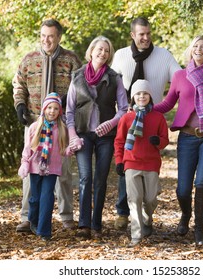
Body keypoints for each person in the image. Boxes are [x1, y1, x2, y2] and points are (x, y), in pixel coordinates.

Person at [153, 35, 203, 245]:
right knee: (183, 189)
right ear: (191, 50)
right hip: (187, 136)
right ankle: (186, 214)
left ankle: (199, 229)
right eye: (195, 46)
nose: (199, 49)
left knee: (202, 181)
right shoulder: (179, 76)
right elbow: (168, 103)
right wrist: (148, 108)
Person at [111, 17, 181, 230]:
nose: (146, 38)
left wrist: (164, 108)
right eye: (141, 34)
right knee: (127, 164)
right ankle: (124, 212)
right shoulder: (121, 56)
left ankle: (146, 213)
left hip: (153, 117)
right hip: (128, 117)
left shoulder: (164, 55)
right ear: (132, 35)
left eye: (148, 34)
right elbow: (111, 84)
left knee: (148, 170)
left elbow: (179, 80)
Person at [13, 19, 82, 232]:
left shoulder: (71, 60)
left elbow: (80, 88)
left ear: (59, 37)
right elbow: (18, 84)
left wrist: (67, 103)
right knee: (30, 172)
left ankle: (66, 215)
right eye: (43, 36)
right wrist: (20, 105)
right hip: (35, 124)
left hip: (60, 126)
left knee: (62, 171)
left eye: (51, 36)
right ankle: (27, 217)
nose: (46, 40)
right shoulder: (29, 60)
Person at [66, 36, 128, 239]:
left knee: (101, 179)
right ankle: (84, 225)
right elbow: (69, 111)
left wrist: (111, 123)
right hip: (83, 135)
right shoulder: (77, 76)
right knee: (85, 178)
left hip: (106, 137)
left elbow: (124, 109)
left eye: (107, 51)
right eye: (99, 49)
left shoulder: (114, 77)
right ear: (91, 50)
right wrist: (73, 135)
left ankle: (96, 223)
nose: (103, 53)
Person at [114, 79, 169, 247]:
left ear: (150, 96)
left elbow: (165, 140)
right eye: (138, 94)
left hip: (151, 163)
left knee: (151, 198)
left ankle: (147, 217)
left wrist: (157, 141)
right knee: (134, 198)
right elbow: (119, 141)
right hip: (131, 162)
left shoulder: (158, 117)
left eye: (145, 93)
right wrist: (119, 161)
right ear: (133, 97)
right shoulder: (127, 118)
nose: (142, 96)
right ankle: (136, 236)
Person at [17, 92, 70, 241]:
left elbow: (63, 150)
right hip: (35, 167)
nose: (52, 111)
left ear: (59, 111)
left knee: (47, 197)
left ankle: (44, 231)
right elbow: (28, 148)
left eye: (55, 108)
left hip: (51, 168)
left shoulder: (61, 129)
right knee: (35, 198)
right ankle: (33, 220)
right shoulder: (35, 127)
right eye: (49, 108)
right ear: (44, 109)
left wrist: (71, 149)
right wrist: (25, 163)